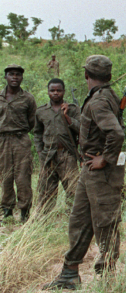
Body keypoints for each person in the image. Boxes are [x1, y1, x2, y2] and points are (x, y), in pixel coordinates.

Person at [43, 55, 126, 289]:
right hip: (89, 170)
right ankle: (70, 273)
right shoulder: (103, 96)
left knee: (105, 223)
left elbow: (116, 133)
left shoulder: (99, 101)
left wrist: (105, 158)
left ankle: (108, 279)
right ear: (108, 77)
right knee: (79, 219)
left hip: (101, 171)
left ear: (86, 75)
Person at [34, 78, 81, 212]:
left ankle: (74, 217)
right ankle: (44, 221)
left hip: (67, 155)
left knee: (73, 189)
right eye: (52, 90)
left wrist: (67, 117)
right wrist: (39, 152)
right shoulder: (41, 111)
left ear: (63, 92)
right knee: (46, 192)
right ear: (48, 92)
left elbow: (82, 129)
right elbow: (37, 133)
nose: (55, 93)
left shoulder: (73, 109)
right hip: (48, 155)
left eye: (58, 90)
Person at [0, 64, 37, 223]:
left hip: (21, 139)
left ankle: (24, 211)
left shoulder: (28, 98)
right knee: (5, 175)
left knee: (23, 176)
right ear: (5, 77)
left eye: (18, 75)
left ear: (22, 78)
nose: (15, 77)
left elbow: (32, 121)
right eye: (11, 74)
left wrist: (20, 132)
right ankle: (7, 210)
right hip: (2, 141)